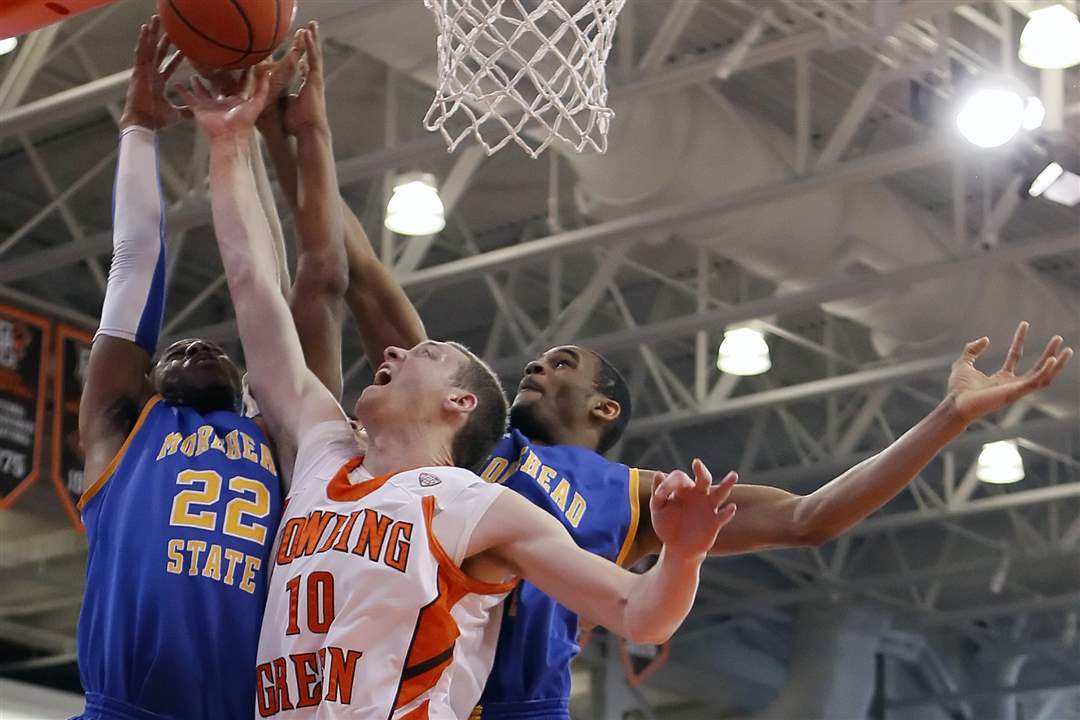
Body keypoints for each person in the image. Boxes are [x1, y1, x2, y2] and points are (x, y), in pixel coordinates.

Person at [251, 27, 1074, 720]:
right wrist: (287, 136)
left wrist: (949, 418)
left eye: (562, 363)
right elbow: (350, 266)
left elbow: (811, 520)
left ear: (604, 407)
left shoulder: (641, 499)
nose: (537, 362)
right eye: (537, 359)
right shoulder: (463, 443)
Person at [180, 26, 739, 716]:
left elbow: (638, 613)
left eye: (423, 353)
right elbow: (254, 290)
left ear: (458, 405)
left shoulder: (480, 508)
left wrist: (682, 555)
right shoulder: (328, 451)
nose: (390, 351)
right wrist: (228, 142)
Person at [74, 18, 313, 719]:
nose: (194, 349)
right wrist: (139, 129)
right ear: (149, 380)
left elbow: (266, 288)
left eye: (217, 351)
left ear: (250, 383)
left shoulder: (280, 436)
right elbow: (132, 267)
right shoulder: (126, 428)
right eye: (173, 352)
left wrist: (244, 145)